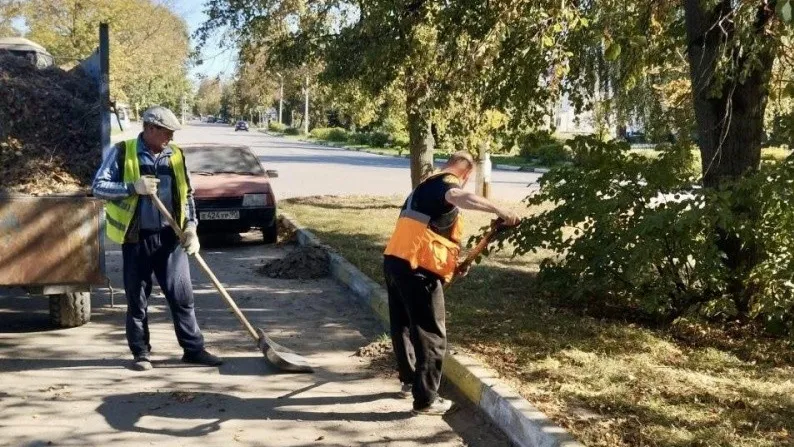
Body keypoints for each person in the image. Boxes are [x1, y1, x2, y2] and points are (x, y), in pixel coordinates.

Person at [383, 151, 520, 415]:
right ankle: (426, 400)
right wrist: (498, 209)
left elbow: (428, 232)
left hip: (396, 262)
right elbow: (458, 196)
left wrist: (451, 266)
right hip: (417, 270)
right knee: (430, 333)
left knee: (403, 325)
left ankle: (410, 381)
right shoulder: (446, 183)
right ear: (467, 173)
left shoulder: (423, 188)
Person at [92, 106, 222, 371]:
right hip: (136, 239)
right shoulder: (123, 151)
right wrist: (132, 187)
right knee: (137, 299)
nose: (171, 138)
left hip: (171, 238)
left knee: (182, 297)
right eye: (166, 132)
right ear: (150, 128)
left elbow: (187, 195)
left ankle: (193, 349)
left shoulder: (176, 155)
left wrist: (191, 228)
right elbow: (98, 187)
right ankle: (141, 352)